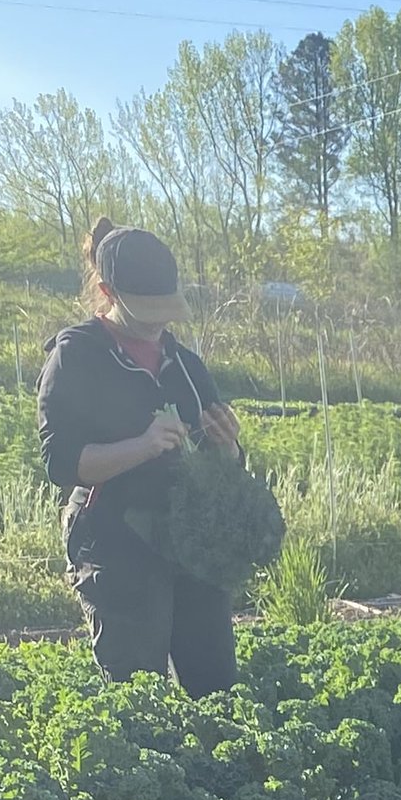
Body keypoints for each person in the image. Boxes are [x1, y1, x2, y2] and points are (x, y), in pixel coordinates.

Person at [37, 221, 245, 691]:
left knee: (215, 685)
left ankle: (211, 762)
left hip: (192, 538)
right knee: (138, 691)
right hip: (114, 537)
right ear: (108, 292)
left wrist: (227, 445)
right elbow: (62, 463)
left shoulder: (186, 365)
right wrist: (144, 445)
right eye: (146, 310)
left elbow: (227, 467)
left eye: (165, 309)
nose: (159, 322)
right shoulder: (77, 357)